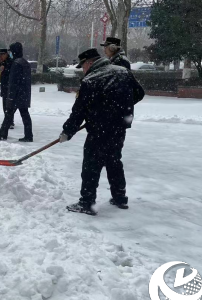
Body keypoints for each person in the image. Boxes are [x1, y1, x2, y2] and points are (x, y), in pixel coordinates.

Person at [60, 48, 145, 216]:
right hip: (119, 126)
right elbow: (139, 93)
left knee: (91, 165)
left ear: (89, 62)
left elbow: (79, 112)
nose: (82, 69)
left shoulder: (91, 79)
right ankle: (120, 197)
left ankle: (87, 202)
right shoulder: (123, 72)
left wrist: (67, 132)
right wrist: (121, 107)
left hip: (99, 129)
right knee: (114, 160)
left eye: (82, 65)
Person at [0, 42, 33, 142]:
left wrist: (11, 96)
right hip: (24, 94)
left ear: (14, 52)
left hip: (16, 95)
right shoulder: (25, 62)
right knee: (25, 115)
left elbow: (13, 82)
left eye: (11, 51)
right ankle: (28, 135)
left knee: (8, 114)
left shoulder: (16, 63)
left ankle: (2, 134)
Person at [0, 48, 14, 130]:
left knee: (9, 105)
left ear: (6, 54)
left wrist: (4, 69)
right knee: (4, 105)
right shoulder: (2, 62)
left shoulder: (11, 62)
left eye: (2, 54)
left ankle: (10, 121)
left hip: (9, 86)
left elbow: (10, 73)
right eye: (0, 55)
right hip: (4, 86)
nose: (0, 56)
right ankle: (7, 120)